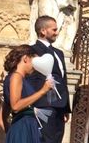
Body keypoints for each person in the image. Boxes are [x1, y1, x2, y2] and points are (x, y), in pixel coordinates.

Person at [25, 15, 72, 143]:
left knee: (57, 139)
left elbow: (63, 79)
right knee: (45, 139)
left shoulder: (59, 53)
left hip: (59, 106)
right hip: (44, 104)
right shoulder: (32, 50)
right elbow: (30, 78)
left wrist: (66, 107)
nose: (57, 33)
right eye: (54, 30)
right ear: (43, 31)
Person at [0, 44, 54, 142]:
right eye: (34, 61)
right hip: (24, 127)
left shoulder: (13, 78)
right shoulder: (16, 77)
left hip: (23, 129)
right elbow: (15, 106)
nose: (36, 66)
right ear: (25, 58)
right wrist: (42, 91)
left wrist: (13, 135)